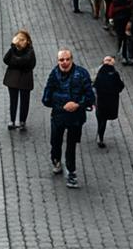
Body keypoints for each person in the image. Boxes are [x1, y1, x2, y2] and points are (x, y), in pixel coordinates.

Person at [42, 48, 95, 188]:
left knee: (71, 146)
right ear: (57, 61)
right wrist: (63, 104)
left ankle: (71, 172)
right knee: (55, 141)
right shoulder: (54, 74)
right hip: (59, 116)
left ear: (72, 59)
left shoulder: (82, 74)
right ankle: (56, 160)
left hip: (75, 118)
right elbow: (46, 98)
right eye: (61, 60)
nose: (64, 62)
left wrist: (77, 104)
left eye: (67, 59)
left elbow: (90, 97)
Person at [2, 30, 36, 131]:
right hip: (13, 79)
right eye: (18, 39)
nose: (20, 42)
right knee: (13, 100)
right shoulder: (13, 49)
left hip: (25, 79)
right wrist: (13, 48)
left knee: (25, 101)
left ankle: (22, 121)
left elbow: (27, 62)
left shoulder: (30, 51)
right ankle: (12, 120)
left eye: (22, 40)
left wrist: (15, 61)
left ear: (28, 41)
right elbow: (6, 59)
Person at [93, 55, 125, 147]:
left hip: (99, 100)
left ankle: (100, 134)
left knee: (100, 117)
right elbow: (120, 86)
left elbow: (94, 84)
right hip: (110, 101)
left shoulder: (99, 71)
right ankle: (100, 136)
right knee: (104, 119)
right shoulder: (114, 74)